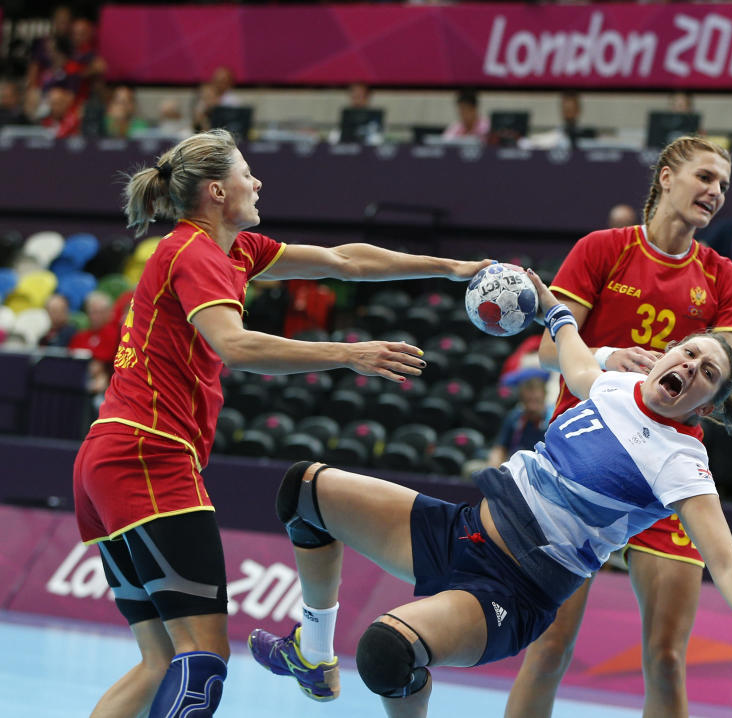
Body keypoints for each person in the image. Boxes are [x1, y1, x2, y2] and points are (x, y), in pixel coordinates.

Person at [247, 270, 732, 717]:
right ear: (667, 355)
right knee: (304, 489)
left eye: (708, 373)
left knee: (386, 653)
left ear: (704, 407)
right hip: (461, 528)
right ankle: (315, 654)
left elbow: (726, 560)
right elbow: (577, 364)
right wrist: (551, 308)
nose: (692, 366)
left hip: (512, 588)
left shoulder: (682, 459)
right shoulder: (618, 385)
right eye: (690, 353)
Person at [72, 128, 492, 718]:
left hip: (110, 456)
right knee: (202, 662)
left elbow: (345, 260)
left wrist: (452, 267)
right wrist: (348, 352)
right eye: (248, 172)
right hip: (149, 454)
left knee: (162, 659)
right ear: (218, 191)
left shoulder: (234, 250)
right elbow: (236, 346)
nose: (258, 180)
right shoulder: (194, 253)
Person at [507, 135, 732, 718]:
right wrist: (605, 355)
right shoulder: (604, 250)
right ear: (666, 177)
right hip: (582, 473)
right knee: (548, 647)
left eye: (723, 185)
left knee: (666, 660)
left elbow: (729, 368)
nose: (715, 193)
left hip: (664, 481)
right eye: (704, 177)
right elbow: (549, 351)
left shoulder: (721, 278)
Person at [486, 364, 552, 468]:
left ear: (544, 396)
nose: (532, 406)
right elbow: (500, 448)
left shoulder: (554, 420)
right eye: (528, 401)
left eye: (536, 401)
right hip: (516, 469)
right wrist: (493, 467)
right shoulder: (514, 417)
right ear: (521, 399)